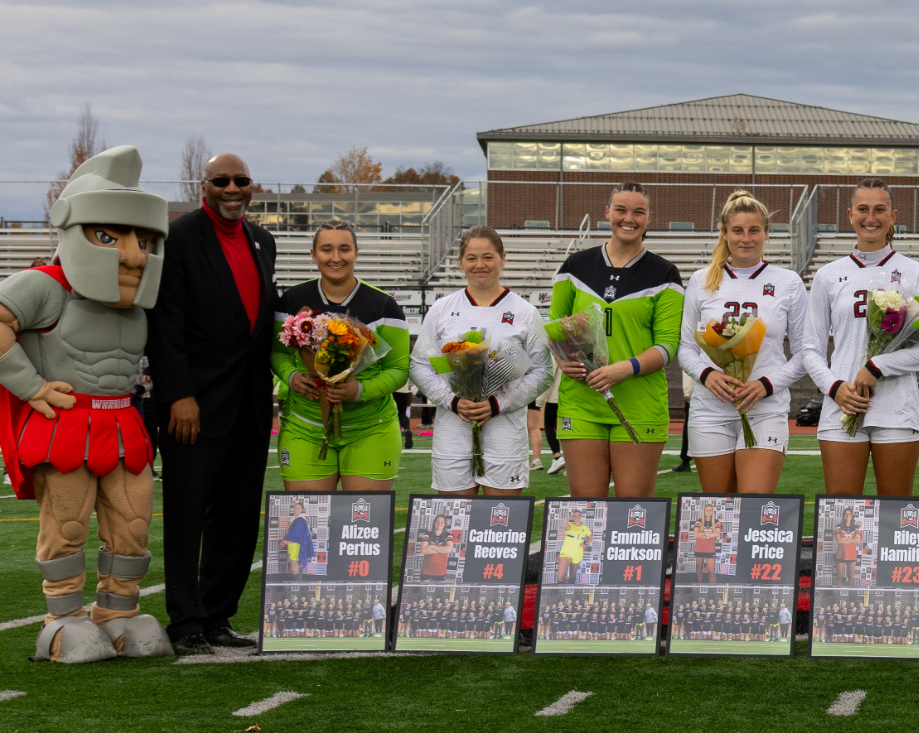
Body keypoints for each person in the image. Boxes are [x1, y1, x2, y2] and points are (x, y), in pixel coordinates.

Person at [0, 147, 174, 661]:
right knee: (68, 528)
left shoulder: (141, 298)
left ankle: (118, 614)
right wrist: (31, 387)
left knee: (133, 527)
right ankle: (62, 620)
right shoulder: (43, 286)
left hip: (124, 423)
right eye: (110, 236)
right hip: (66, 427)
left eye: (144, 240)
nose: (133, 255)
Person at [148, 151, 278, 653]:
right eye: (221, 180)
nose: (232, 189)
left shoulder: (263, 240)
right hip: (194, 406)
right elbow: (165, 324)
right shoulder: (178, 237)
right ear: (204, 186)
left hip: (250, 404)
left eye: (240, 180)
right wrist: (179, 394)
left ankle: (218, 615)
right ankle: (185, 622)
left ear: (252, 186)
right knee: (187, 514)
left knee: (238, 516)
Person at [801, 180, 919, 496]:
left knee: (893, 513)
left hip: (897, 409)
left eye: (880, 210)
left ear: (893, 216)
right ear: (850, 215)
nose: (871, 218)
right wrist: (834, 388)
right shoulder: (827, 275)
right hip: (842, 406)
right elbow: (810, 347)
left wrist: (876, 367)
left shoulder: (915, 273)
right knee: (841, 513)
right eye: (863, 209)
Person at [548, 183, 683, 497]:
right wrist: (562, 360)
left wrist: (625, 368)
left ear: (649, 218)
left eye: (639, 212)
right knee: (585, 511)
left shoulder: (665, 274)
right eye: (621, 210)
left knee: (631, 512)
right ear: (607, 212)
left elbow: (667, 346)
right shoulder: (574, 267)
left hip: (639, 404)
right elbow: (556, 329)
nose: (629, 219)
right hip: (581, 403)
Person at [676, 191, 806, 494]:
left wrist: (766, 385)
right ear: (724, 233)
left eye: (754, 230)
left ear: (766, 233)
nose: (746, 238)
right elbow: (686, 347)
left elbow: (804, 354)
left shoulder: (789, 282)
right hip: (711, 408)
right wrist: (707, 375)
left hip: (765, 407)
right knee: (719, 508)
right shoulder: (701, 280)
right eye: (737, 230)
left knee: (753, 503)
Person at [409, 227, 552, 497]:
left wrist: (498, 404)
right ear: (460, 262)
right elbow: (419, 364)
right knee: (454, 519)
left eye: (488, 257)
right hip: (453, 431)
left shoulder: (525, 312)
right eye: (471, 258)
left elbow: (543, 371)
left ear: (502, 259)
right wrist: (452, 401)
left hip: (505, 433)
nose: (480, 265)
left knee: (501, 519)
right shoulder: (441, 309)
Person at [273, 221, 411, 491]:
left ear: (356, 253)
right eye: (327, 249)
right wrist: (291, 376)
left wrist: (359, 390)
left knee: (362, 519)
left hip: (371, 429)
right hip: (304, 427)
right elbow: (277, 353)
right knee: (307, 518)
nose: (336, 258)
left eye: (344, 249)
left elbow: (399, 370)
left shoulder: (384, 305)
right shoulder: (291, 300)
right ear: (313, 254)